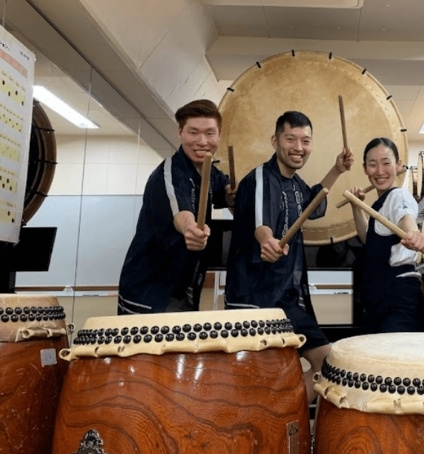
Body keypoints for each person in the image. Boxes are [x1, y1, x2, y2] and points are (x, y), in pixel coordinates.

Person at [224, 111, 353, 401]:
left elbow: (313, 205)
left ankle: (282, 414)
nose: (298, 147)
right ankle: (270, 419)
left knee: (329, 363)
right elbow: (262, 225)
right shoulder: (261, 178)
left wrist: (336, 170)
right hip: (254, 298)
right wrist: (267, 241)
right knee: (259, 380)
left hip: (286, 299)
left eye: (305, 140)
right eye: (290, 139)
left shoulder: (295, 185)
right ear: (275, 141)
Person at [118, 99, 234, 315]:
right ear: (180, 132)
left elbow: (224, 189)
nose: (202, 141)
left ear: (219, 135)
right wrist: (190, 229)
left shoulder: (209, 171)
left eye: (209, 133)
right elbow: (181, 213)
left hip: (184, 287)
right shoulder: (169, 173)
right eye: (193, 132)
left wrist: (232, 195)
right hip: (149, 291)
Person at [348, 137, 424, 333]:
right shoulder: (381, 205)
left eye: (386, 163)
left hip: (399, 299)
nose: (380, 171)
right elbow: (368, 239)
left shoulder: (397, 196)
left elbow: (405, 218)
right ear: (365, 168)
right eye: (373, 165)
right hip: (381, 297)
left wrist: (413, 233)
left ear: (398, 165)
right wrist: (357, 206)